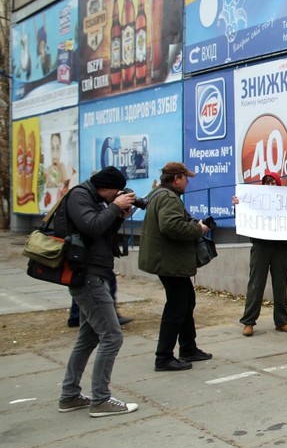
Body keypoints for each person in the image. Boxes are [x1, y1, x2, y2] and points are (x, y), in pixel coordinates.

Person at [54, 166, 139, 417]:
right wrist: (114, 207)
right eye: (116, 191)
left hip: (96, 273)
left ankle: (69, 396)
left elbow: (101, 235)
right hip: (87, 277)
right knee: (113, 336)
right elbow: (91, 226)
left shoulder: (96, 199)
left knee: (88, 338)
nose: (117, 195)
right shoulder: (80, 195)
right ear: (107, 187)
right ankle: (101, 400)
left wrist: (119, 215)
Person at [138, 161, 211, 372]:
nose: (187, 182)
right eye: (185, 178)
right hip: (169, 262)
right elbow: (171, 226)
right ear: (177, 178)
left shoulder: (158, 194)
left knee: (186, 301)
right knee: (177, 307)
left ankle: (188, 348)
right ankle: (164, 357)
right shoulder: (169, 198)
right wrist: (198, 229)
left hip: (167, 260)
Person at [232, 172, 287, 336]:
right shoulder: (256, 200)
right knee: (256, 284)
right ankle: (248, 322)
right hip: (261, 246)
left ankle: (282, 321)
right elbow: (243, 216)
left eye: (273, 182)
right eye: (267, 182)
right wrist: (238, 206)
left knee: (281, 285)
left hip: (281, 247)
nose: (270, 185)